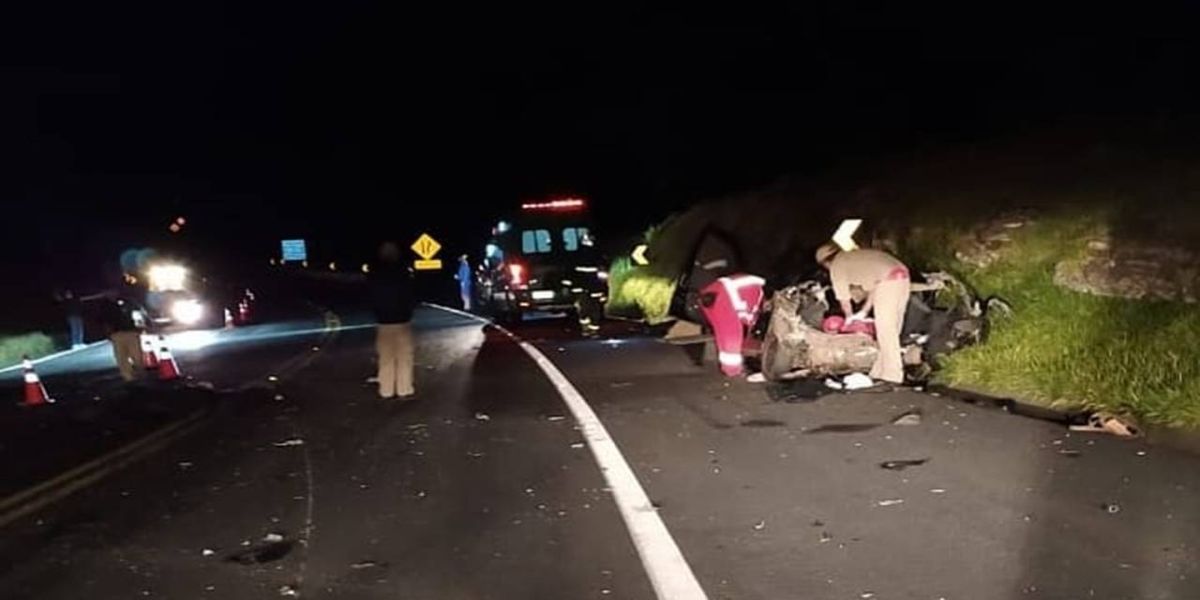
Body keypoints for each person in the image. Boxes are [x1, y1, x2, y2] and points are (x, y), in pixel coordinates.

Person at [816, 243, 910, 384]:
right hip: (902, 275)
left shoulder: (837, 265)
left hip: (888, 281)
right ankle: (879, 370)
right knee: (893, 328)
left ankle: (893, 376)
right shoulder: (857, 257)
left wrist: (849, 317)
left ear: (826, 262)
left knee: (885, 330)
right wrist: (863, 312)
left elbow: (843, 297)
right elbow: (875, 288)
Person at [370, 242, 416, 399]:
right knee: (404, 356)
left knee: (386, 358)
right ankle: (404, 388)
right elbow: (411, 295)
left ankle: (386, 390)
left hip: (383, 322)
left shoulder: (375, 274)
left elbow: (371, 296)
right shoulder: (403, 273)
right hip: (402, 321)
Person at [98, 295, 144, 383]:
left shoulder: (128, 301)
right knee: (121, 357)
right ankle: (129, 378)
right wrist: (108, 332)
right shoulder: (106, 305)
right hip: (116, 332)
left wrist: (140, 326)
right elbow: (103, 319)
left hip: (131, 331)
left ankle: (139, 373)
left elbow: (137, 312)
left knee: (137, 356)